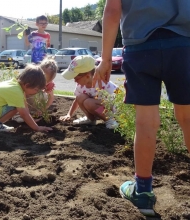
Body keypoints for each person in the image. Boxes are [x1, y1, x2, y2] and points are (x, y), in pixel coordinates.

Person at [95, 0, 190, 216]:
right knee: (188, 118)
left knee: (146, 121)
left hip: (141, 46)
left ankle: (143, 192)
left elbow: (112, 11)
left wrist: (106, 58)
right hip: (183, 45)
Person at [0, 64, 52, 133]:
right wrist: (37, 128)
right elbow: (24, 113)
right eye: (36, 90)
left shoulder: (15, 84)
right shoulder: (16, 91)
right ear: (27, 85)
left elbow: (25, 108)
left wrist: (32, 121)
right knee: (16, 107)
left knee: (20, 105)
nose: (36, 92)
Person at [59, 55, 118, 129]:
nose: (75, 81)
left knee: (88, 102)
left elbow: (118, 98)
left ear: (87, 76)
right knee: (80, 97)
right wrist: (69, 114)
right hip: (99, 108)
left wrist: (117, 115)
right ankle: (90, 119)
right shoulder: (80, 86)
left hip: (113, 109)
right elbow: (77, 101)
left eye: (76, 78)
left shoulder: (102, 83)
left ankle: (110, 120)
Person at [12, 58, 58, 123]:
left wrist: (43, 109)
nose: (45, 83)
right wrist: (26, 113)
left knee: (43, 96)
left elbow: (51, 97)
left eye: (47, 81)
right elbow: (22, 96)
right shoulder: (31, 78)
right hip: (21, 99)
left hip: (31, 104)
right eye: (43, 80)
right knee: (30, 94)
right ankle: (17, 115)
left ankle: (33, 112)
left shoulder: (49, 84)